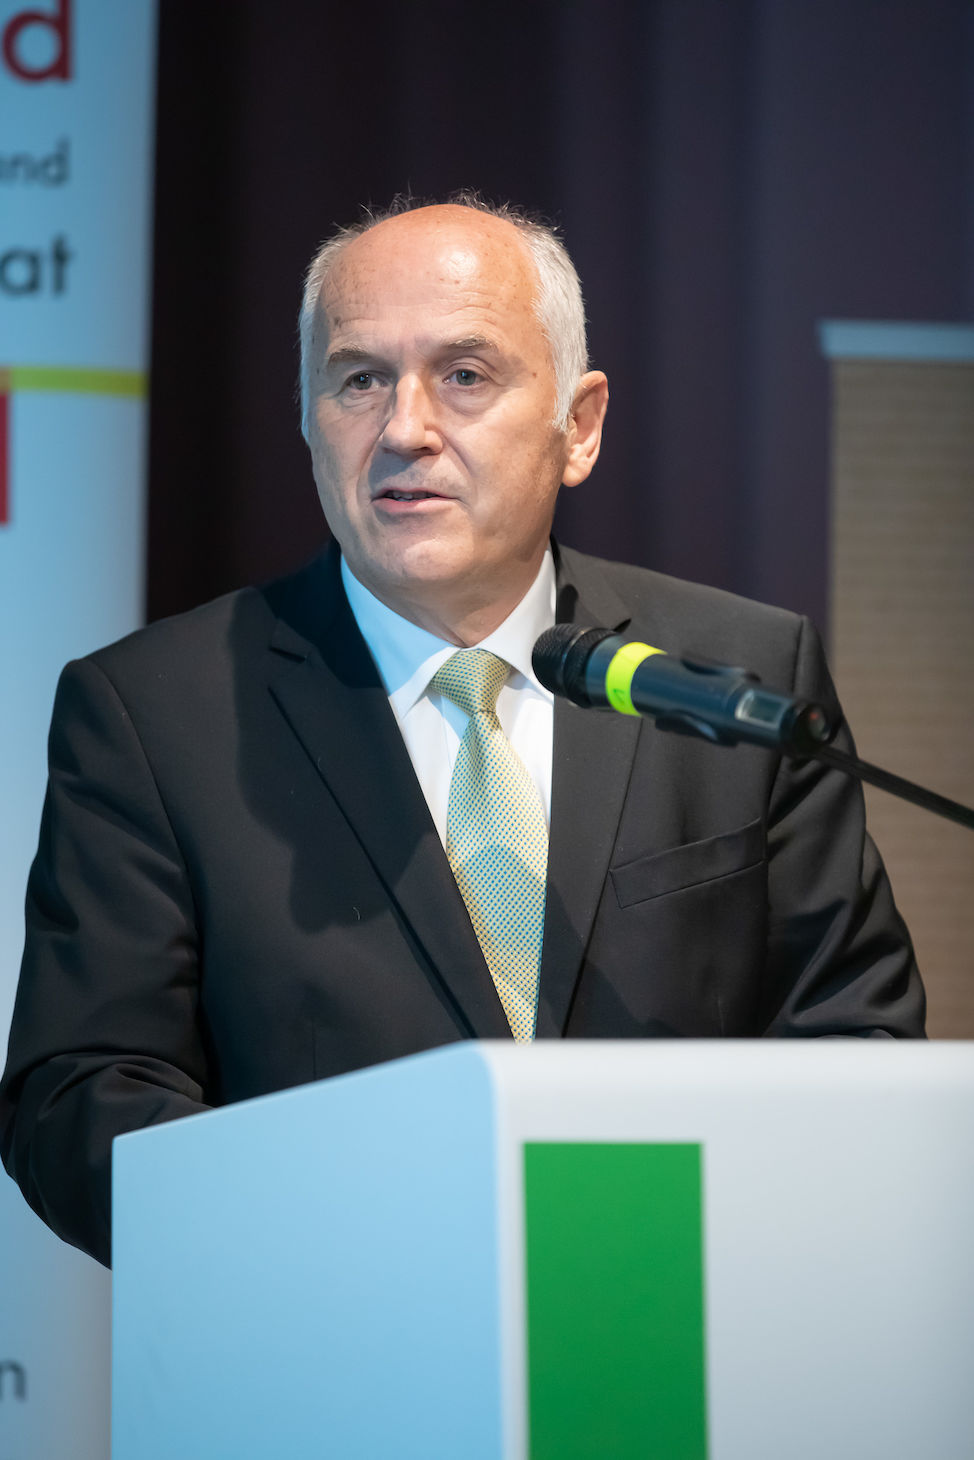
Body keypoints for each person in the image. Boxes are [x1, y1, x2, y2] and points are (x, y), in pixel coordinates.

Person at [0, 195, 924, 1268]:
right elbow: (80, 1097)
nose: (404, 428)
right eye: (358, 379)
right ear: (307, 420)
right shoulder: (155, 713)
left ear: (579, 425)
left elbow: (854, 1039)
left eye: (465, 375)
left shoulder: (736, 677)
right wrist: (359, 1243)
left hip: (677, 1315)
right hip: (334, 1330)